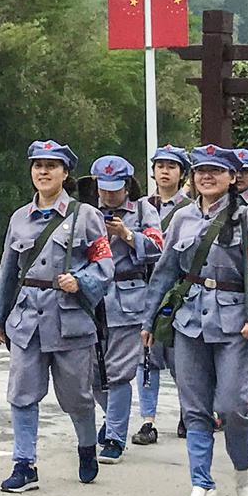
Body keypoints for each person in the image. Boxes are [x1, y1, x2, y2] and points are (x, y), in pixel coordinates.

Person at [141, 147, 248, 496]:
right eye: (201, 170)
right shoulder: (182, 218)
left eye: (216, 171)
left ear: (232, 177)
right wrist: (149, 320)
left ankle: (242, 466)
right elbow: (165, 272)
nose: (207, 177)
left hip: (234, 325)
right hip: (189, 322)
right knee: (194, 408)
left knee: (233, 406)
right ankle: (202, 485)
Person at [0, 140, 114, 492]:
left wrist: (81, 281)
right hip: (27, 319)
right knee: (21, 393)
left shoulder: (85, 216)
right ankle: (24, 464)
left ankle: (87, 448)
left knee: (77, 396)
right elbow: (9, 272)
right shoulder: (19, 218)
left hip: (69, 320)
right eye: (38, 166)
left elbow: (105, 265)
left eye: (51, 166)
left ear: (65, 172)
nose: (43, 172)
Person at [86, 154, 162, 462]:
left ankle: (115, 438)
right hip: (92, 298)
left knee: (118, 372)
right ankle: (113, 417)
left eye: (114, 188)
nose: (108, 194)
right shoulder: (87, 212)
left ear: (127, 186)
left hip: (128, 300)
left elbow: (158, 248)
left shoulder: (143, 210)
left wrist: (127, 235)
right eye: (103, 188)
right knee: (91, 373)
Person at [132, 144, 195, 446]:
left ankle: (188, 412)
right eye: (160, 166)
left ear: (182, 173)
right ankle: (148, 420)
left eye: (172, 166)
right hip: (146, 288)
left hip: (178, 293)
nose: (165, 172)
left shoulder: (192, 210)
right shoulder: (140, 207)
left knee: (181, 359)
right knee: (146, 357)